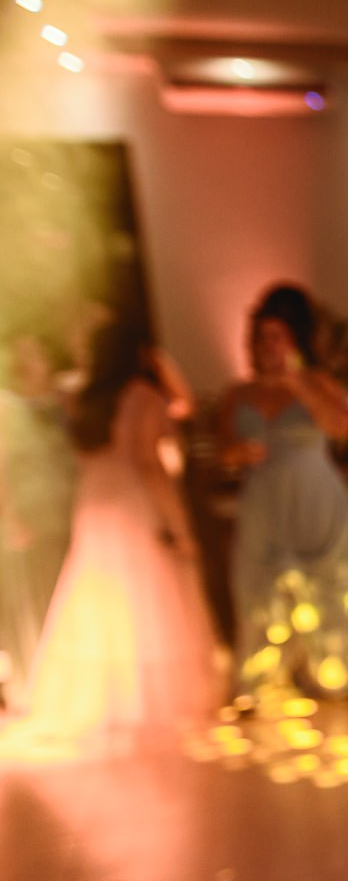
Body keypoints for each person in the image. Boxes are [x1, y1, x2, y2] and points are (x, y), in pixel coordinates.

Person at [3, 318, 218, 746]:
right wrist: (181, 527)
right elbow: (149, 464)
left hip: (93, 506)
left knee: (98, 599)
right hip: (132, 505)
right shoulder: (143, 398)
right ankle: (148, 700)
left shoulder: (83, 401)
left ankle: (101, 700)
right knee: (147, 601)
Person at [218, 286, 348, 705]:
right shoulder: (238, 394)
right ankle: (256, 683)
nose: (269, 346)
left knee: (326, 589)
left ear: (293, 341)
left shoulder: (314, 382)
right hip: (263, 500)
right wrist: (237, 454)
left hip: (316, 496)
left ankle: (335, 675)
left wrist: (298, 385)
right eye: (262, 338)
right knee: (258, 590)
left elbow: (341, 427)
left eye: (277, 337)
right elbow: (224, 450)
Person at [0, 332, 76, 705]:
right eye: (21, 354)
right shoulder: (6, 408)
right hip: (29, 515)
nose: (28, 362)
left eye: (35, 352)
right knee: (37, 599)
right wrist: (10, 516)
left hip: (70, 508)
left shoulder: (65, 401)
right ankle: (37, 687)